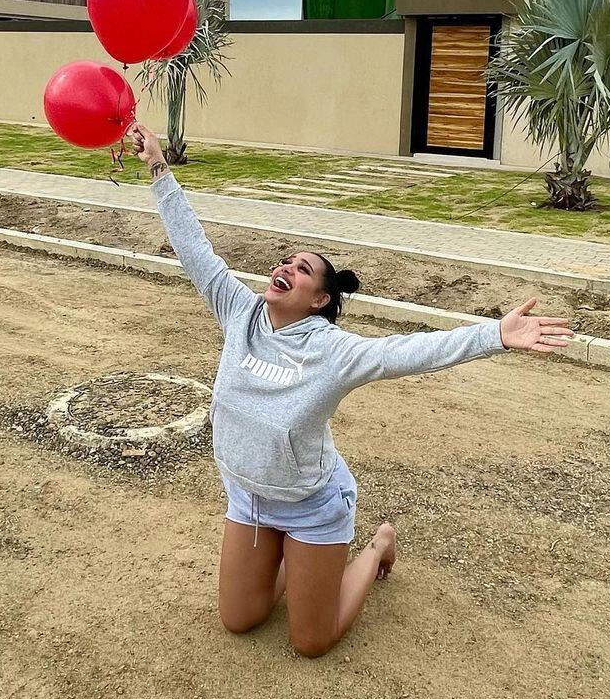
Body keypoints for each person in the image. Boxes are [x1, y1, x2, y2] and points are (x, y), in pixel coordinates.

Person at [129, 122, 573, 658]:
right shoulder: (238, 311)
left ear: (318, 300)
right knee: (240, 619)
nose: (285, 267)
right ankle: (290, 561)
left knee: (311, 641)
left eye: (302, 269)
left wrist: (494, 335)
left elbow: (408, 352)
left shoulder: (334, 353)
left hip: (310, 505)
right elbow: (194, 247)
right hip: (249, 497)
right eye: (285, 260)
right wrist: (158, 167)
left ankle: (376, 543)